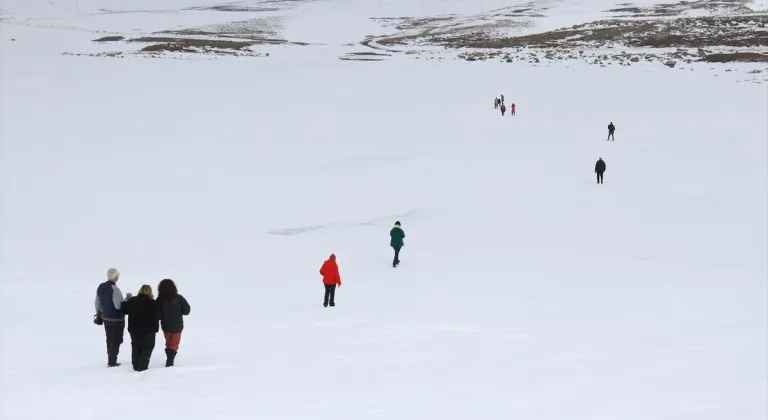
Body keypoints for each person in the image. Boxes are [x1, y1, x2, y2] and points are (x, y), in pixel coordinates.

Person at [95, 268, 131, 367]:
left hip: (106, 318)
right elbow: (118, 306)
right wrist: (127, 299)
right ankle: (112, 361)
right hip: (117, 320)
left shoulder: (101, 287)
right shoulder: (115, 289)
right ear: (116, 277)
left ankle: (110, 358)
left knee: (109, 339)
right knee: (117, 340)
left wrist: (98, 313)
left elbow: (97, 302)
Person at [121, 285, 159, 372]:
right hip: (149, 330)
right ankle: (143, 365)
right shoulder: (153, 303)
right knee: (148, 348)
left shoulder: (133, 301)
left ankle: (135, 364)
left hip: (135, 329)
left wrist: (126, 299)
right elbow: (159, 315)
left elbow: (124, 309)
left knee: (135, 346)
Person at [157, 279, 191, 367]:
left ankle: (169, 359)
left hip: (165, 326)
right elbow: (187, 310)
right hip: (177, 326)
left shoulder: (159, 300)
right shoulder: (179, 298)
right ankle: (170, 361)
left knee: (169, 343)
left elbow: (158, 315)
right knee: (174, 344)